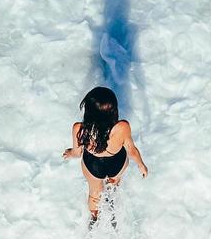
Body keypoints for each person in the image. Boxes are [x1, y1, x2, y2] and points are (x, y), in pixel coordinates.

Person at [62, 85, 148, 223]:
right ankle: (112, 201)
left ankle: (95, 219)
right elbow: (131, 150)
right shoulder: (122, 127)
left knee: (95, 194)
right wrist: (141, 165)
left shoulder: (79, 129)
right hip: (117, 163)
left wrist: (70, 153)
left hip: (93, 166)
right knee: (114, 183)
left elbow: (78, 153)